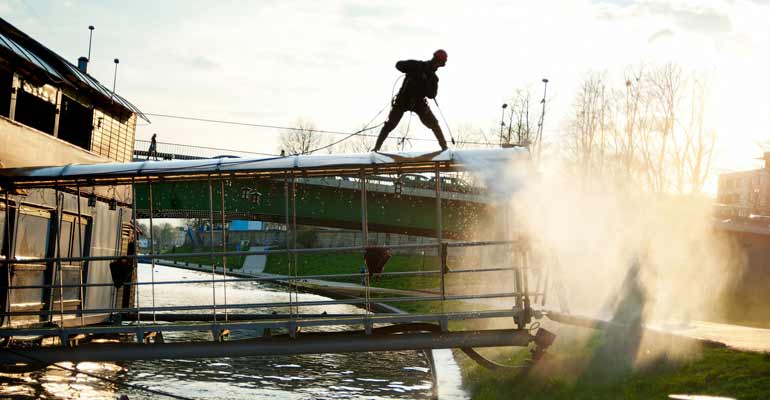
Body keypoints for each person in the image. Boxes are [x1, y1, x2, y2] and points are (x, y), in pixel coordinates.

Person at [373, 49, 449, 152]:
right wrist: (413, 69)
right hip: (403, 99)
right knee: (390, 124)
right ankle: (376, 148)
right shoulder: (417, 65)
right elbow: (398, 65)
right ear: (434, 59)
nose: (437, 65)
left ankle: (444, 148)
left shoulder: (433, 78)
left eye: (440, 64)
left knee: (434, 124)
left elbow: (432, 95)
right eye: (437, 62)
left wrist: (425, 80)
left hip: (419, 103)